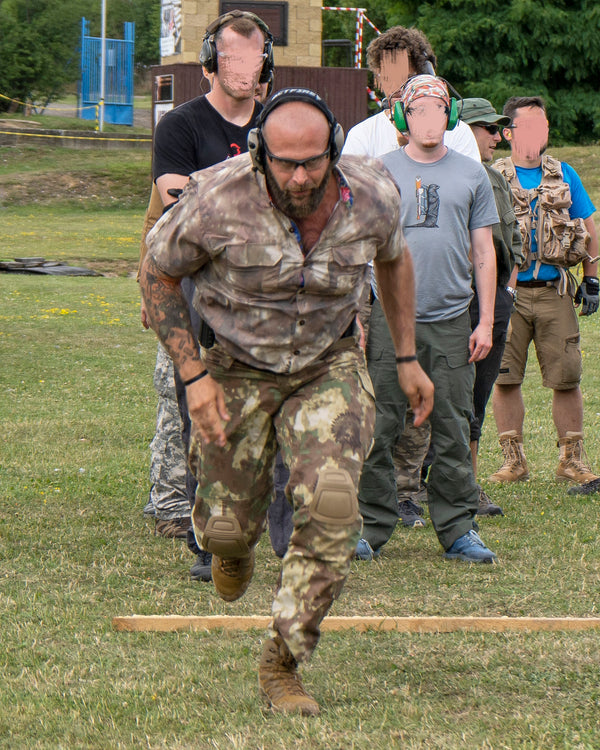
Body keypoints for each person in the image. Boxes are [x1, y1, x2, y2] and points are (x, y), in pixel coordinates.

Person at [140, 88, 433, 716]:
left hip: (327, 366)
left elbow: (394, 260)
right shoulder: (216, 198)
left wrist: (405, 357)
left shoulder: (374, 194)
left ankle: (283, 661)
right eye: (283, 163)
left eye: (312, 162)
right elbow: (156, 270)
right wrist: (192, 375)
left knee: (332, 507)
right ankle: (231, 549)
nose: (299, 177)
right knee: (226, 528)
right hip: (235, 370)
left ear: (333, 149)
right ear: (257, 154)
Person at [140, 9, 277, 580]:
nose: (244, 68)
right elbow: (175, 196)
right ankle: (208, 539)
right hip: (201, 289)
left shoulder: (279, 120)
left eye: (254, 56)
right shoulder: (180, 126)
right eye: (232, 56)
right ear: (210, 62)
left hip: (270, 292)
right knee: (202, 411)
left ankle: (274, 528)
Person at [356, 75, 499, 563]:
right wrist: (359, 314)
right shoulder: (379, 171)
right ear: (402, 118)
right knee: (378, 425)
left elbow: (484, 250)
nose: (429, 119)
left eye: (439, 109)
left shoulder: (472, 174)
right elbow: (362, 249)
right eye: (418, 110)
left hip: (453, 319)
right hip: (389, 322)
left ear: (451, 116)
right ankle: (370, 527)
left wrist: (484, 321)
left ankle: (458, 528)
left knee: (455, 426)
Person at [344, 25, 480, 532]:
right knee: (379, 407)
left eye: (405, 75)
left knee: (442, 412)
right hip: (377, 293)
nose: (396, 87)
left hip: (443, 298)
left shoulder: (458, 135)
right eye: (386, 78)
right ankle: (371, 513)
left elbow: (466, 207)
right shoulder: (363, 136)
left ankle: (413, 492)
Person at [489, 96, 599, 486]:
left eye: (543, 125)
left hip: (555, 291)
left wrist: (592, 278)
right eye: (529, 125)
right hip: (508, 294)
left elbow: (589, 226)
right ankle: (513, 460)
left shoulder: (564, 173)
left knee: (567, 376)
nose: (539, 133)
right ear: (508, 132)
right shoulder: (493, 176)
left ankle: (572, 459)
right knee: (505, 377)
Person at [460, 98, 524, 515]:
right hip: (455, 297)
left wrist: (509, 292)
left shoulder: (495, 178)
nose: (497, 137)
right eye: (487, 128)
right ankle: (415, 484)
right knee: (447, 392)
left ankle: (468, 484)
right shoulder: (449, 176)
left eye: (499, 129)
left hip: (495, 297)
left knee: (480, 392)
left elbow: (513, 237)